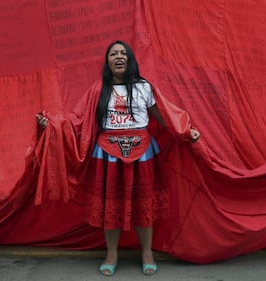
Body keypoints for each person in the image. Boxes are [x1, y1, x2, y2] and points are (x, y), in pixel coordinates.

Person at [36, 40, 200, 276]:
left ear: (130, 59)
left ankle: (147, 253)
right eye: (113, 54)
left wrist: (185, 132)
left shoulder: (144, 87)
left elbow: (165, 115)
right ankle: (111, 254)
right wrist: (50, 123)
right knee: (109, 206)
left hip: (142, 153)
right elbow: (76, 120)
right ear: (108, 62)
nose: (119, 56)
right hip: (107, 155)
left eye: (123, 53)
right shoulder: (97, 89)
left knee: (143, 204)